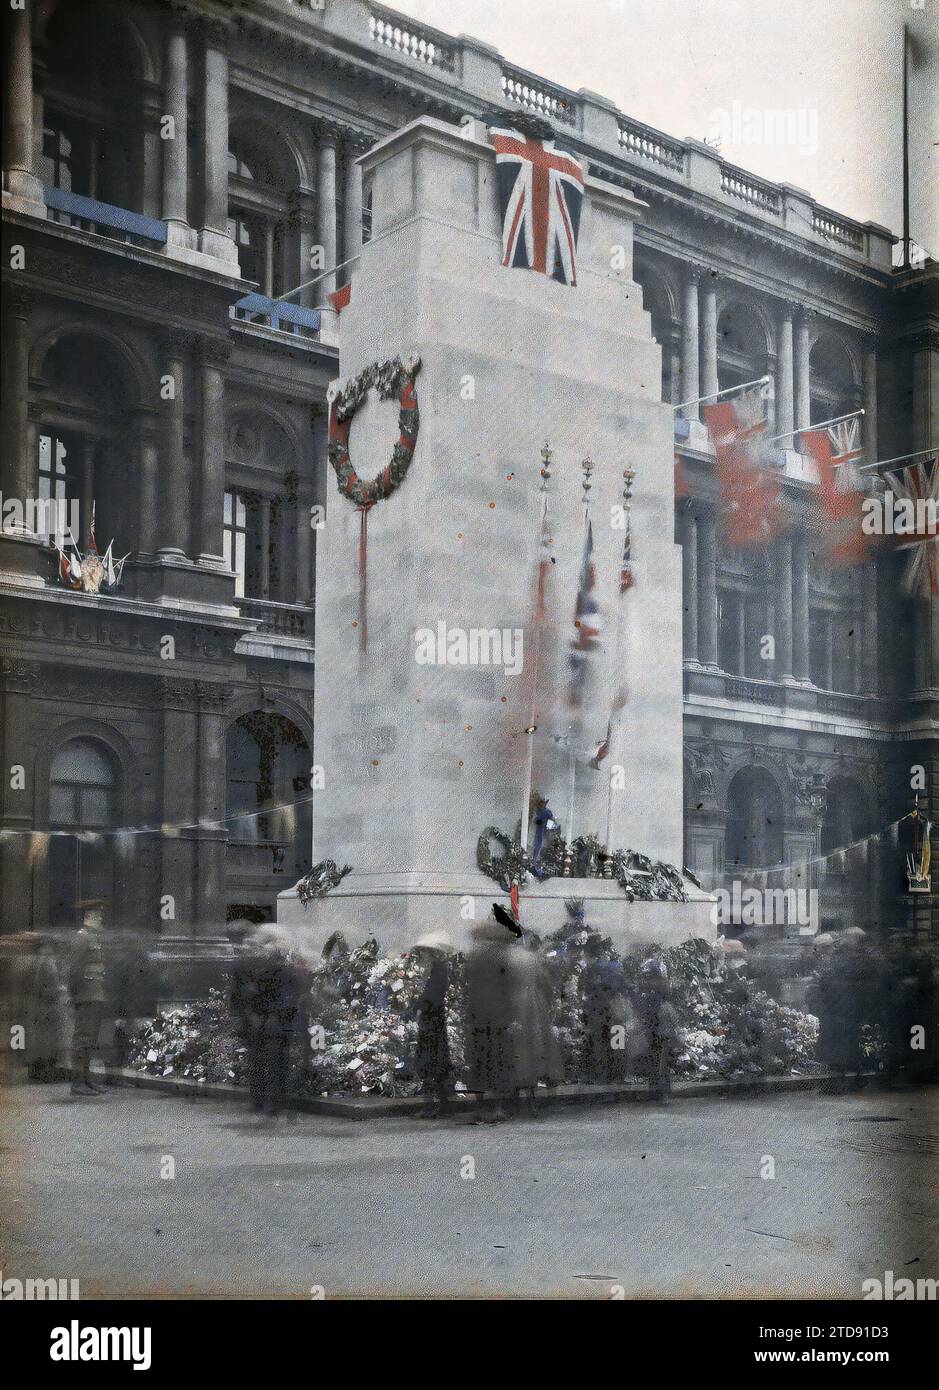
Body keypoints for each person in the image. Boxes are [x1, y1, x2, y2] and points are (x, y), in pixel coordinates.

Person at [231, 926, 308, 1117]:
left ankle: (261, 1101)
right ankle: (272, 1103)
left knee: (260, 1062)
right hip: (276, 1023)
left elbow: (249, 996)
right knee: (275, 1064)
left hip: (261, 1022)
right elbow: (289, 996)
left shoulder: (258, 968)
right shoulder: (282, 969)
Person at [411, 929, 454, 1118]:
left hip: (432, 1022)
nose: (422, 955)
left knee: (429, 1061)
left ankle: (432, 1106)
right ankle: (442, 1105)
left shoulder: (438, 970)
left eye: (425, 952)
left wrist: (419, 1006)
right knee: (436, 1062)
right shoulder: (438, 969)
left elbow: (433, 997)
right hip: (435, 1021)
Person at [68, 901, 108, 1097]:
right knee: (82, 1040)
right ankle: (77, 1083)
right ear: (89, 916)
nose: (100, 918)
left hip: (94, 994)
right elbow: (73, 970)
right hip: (85, 995)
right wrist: (75, 995)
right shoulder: (81, 939)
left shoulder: (93, 938)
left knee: (90, 1039)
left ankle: (86, 1080)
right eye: (98, 915)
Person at [581, 937, 629, 1084]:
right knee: (618, 1043)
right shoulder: (615, 966)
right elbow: (624, 986)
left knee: (600, 1044)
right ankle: (619, 1076)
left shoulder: (593, 968)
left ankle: (603, 1077)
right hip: (616, 1010)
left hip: (599, 1012)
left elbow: (590, 991)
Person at [634, 957, 678, 1103]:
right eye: (645, 976)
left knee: (661, 1061)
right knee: (652, 1059)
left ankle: (663, 1092)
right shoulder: (647, 990)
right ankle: (654, 1091)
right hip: (652, 1026)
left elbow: (659, 1007)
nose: (647, 979)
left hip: (661, 1027)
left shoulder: (661, 990)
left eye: (649, 976)